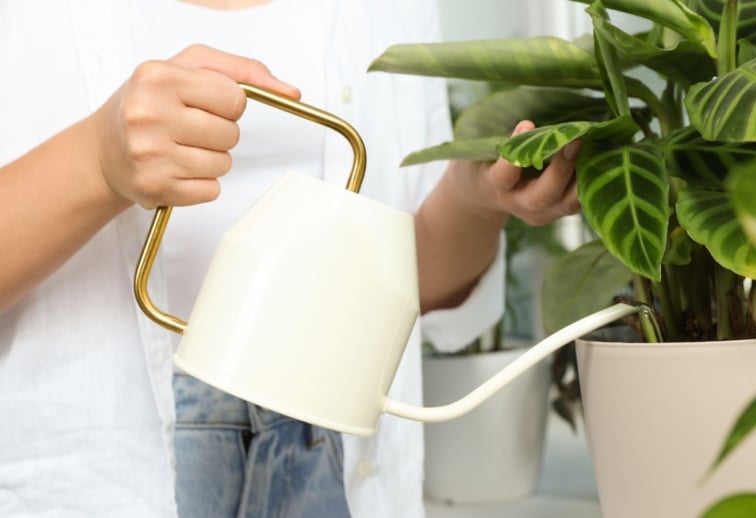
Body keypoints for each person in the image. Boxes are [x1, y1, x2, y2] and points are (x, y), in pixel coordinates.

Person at [0, 0, 581, 516]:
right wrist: (97, 162)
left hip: (329, 444)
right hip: (104, 466)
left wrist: (474, 201)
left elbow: (407, 283)